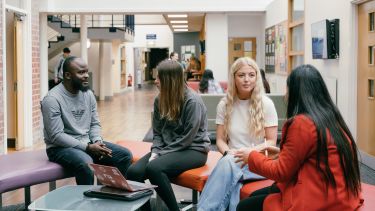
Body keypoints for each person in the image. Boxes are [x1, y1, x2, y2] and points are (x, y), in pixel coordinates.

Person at [235, 64, 363, 211]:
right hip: (339, 194)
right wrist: (281, 154)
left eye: (288, 89)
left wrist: (250, 156)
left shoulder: (302, 123)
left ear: (295, 92)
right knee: (256, 196)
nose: (286, 95)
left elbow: (281, 172)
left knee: (245, 206)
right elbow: (316, 155)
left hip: (320, 199)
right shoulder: (330, 117)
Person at [126, 60, 210, 211]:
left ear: (170, 80)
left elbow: (187, 138)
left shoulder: (192, 101)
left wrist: (160, 155)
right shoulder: (160, 99)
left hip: (193, 149)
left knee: (154, 168)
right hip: (167, 148)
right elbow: (157, 132)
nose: (156, 81)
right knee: (133, 172)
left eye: (159, 78)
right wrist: (156, 151)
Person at [197, 57, 278, 211]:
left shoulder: (266, 104)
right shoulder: (225, 104)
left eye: (251, 75)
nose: (247, 80)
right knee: (232, 179)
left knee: (228, 165)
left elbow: (272, 142)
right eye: (241, 75)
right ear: (234, 77)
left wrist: (248, 153)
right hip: (232, 159)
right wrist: (229, 152)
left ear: (257, 77)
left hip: (258, 161)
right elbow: (220, 140)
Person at [41, 56, 133, 185]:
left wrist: (97, 141)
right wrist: (87, 147)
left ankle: (108, 194)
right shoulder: (52, 99)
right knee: (86, 163)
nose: (86, 76)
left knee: (124, 155)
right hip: (59, 148)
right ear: (67, 75)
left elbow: (94, 123)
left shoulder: (88, 94)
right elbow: (56, 136)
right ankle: (87, 203)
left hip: (88, 142)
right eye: (81, 72)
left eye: (86, 71)